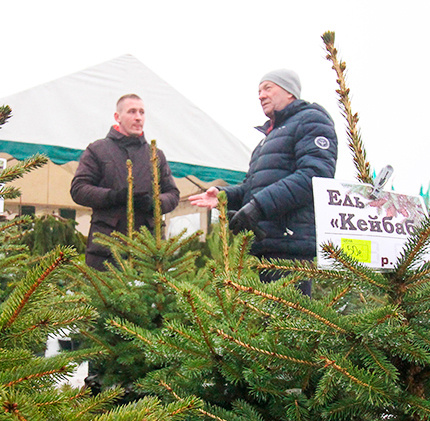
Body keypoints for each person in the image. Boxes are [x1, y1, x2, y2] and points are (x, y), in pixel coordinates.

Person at [189, 69, 338, 290]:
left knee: (289, 321)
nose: (261, 95)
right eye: (259, 90)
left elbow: (314, 176)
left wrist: (259, 207)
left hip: (291, 248)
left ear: (290, 92)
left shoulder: (312, 120)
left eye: (268, 88)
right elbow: (253, 187)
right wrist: (224, 195)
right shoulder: (266, 140)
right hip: (263, 246)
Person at [70, 93, 180, 270]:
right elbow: (78, 189)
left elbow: (173, 194)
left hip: (149, 251)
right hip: (106, 252)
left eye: (142, 112)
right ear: (117, 116)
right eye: (132, 112)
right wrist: (113, 197)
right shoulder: (97, 150)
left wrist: (155, 204)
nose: (138, 117)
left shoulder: (155, 155)